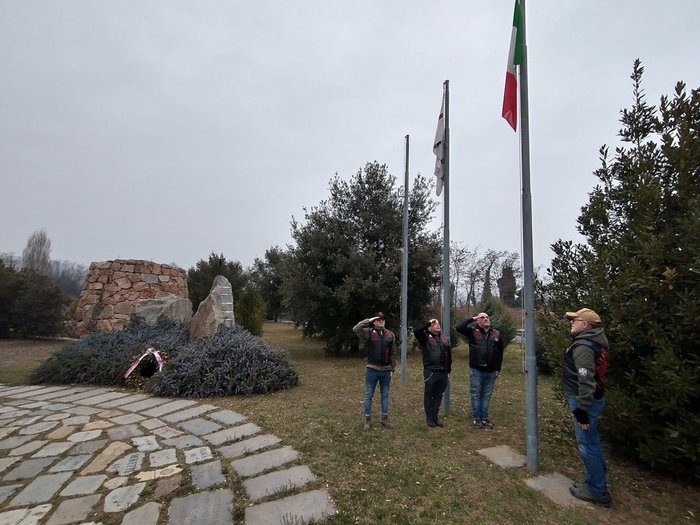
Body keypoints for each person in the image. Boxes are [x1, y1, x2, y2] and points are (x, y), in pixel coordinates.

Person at [563, 307, 612, 507]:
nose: (571, 322)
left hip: (584, 402)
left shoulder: (583, 346)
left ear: (586, 325)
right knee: (592, 442)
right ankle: (597, 484)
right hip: (593, 399)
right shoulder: (596, 341)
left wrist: (582, 409)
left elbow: (586, 379)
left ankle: (596, 490)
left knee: (587, 444)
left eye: (575, 320)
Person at [456, 312, 503, 429]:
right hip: (476, 370)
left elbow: (500, 353)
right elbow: (459, 327)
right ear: (478, 321)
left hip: (491, 371)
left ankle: (484, 418)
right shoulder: (472, 332)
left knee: (486, 395)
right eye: (483, 317)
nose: (486, 319)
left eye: (487, 317)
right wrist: (472, 318)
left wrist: (498, 368)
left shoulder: (496, 334)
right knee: (476, 395)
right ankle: (477, 420)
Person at [353, 312, 395, 430]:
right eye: (378, 319)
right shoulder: (369, 333)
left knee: (385, 395)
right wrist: (369, 319)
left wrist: (393, 368)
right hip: (372, 369)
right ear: (375, 321)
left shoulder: (390, 334)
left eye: (382, 319)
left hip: (386, 371)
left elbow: (393, 353)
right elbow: (356, 328)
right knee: (368, 395)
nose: (381, 321)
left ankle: (384, 419)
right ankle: (367, 420)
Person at [413, 318, 452, 427]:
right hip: (431, 371)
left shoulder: (444, 339)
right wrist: (428, 323)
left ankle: (435, 416)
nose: (438, 325)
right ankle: (429, 418)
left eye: (438, 323)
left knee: (439, 395)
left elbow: (449, 356)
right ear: (429, 327)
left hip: (443, 372)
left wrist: (448, 370)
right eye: (435, 324)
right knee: (429, 394)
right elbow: (417, 331)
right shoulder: (425, 337)